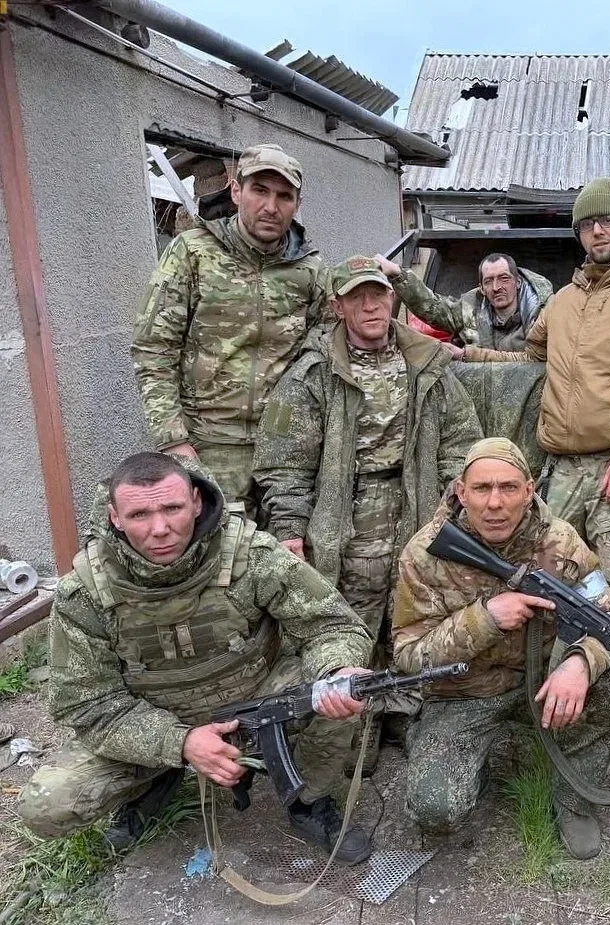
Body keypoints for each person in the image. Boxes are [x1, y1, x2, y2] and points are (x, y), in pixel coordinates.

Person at [17, 453, 375, 863]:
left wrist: (337, 667)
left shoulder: (252, 555)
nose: (160, 529)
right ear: (115, 517)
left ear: (196, 502)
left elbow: (331, 626)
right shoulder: (84, 592)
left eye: (172, 508)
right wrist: (179, 742)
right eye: (139, 515)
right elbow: (85, 703)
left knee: (338, 692)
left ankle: (309, 800)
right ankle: (157, 776)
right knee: (45, 806)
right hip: (152, 716)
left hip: (257, 697)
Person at [451, 178, 610, 631]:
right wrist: (468, 356)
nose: (598, 231)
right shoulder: (563, 302)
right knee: (549, 583)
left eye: (608, 221)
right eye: (587, 224)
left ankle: (606, 673)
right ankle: (559, 669)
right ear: (578, 233)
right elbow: (529, 360)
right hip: (562, 469)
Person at [392, 438, 610, 860]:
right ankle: (452, 753)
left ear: (529, 490)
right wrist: (484, 619)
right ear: (461, 492)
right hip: (463, 694)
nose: (495, 503)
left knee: (606, 681)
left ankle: (573, 799)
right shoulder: (425, 553)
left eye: (508, 488)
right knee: (435, 809)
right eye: (481, 489)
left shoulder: (560, 541)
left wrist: (580, 663)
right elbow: (409, 656)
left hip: (543, 684)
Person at [253, 256, 482, 655]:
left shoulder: (427, 364)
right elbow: (285, 465)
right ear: (337, 306)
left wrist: (453, 508)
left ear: (393, 298)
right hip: (346, 528)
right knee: (349, 632)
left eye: (378, 294)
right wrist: (290, 529)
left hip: (419, 516)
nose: (371, 306)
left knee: (417, 625)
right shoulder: (312, 374)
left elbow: (460, 441)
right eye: (357, 297)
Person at [132, 143, 325, 516]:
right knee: (218, 546)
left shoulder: (309, 269)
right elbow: (153, 348)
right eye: (260, 191)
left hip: (286, 450)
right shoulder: (193, 253)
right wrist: (173, 440)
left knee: (288, 546)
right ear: (236, 191)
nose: (271, 206)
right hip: (209, 446)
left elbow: (323, 353)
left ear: (297, 204)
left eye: (284, 196)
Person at [374, 252, 553, 351]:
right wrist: (398, 274)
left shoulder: (543, 313)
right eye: (488, 281)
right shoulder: (469, 308)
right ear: (481, 288)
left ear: (518, 282)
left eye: (504, 278)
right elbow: (433, 308)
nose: (496, 287)